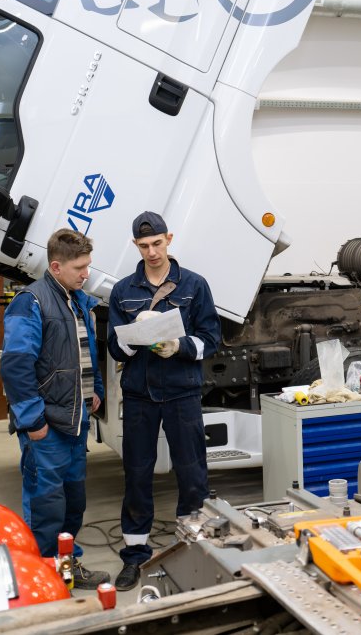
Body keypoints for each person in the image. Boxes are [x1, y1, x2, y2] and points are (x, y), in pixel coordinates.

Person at [107, 211, 221, 590]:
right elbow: (115, 349)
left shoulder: (194, 285)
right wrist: (133, 335)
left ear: (168, 239)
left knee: (192, 471)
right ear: (135, 246)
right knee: (137, 473)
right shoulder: (123, 291)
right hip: (139, 395)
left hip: (181, 391)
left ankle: (193, 545)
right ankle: (135, 554)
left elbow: (211, 339)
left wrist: (178, 345)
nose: (152, 252)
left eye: (157, 243)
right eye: (144, 246)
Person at [0, 228, 110, 589]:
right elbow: (16, 366)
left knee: (73, 502)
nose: (86, 274)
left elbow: (85, 351)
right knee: (46, 505)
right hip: (47, 424)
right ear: (56, 266)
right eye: (79, 268)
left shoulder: (77, 300)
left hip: (75, 420)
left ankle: (66, 565)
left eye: (88, 266)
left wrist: (94, 391)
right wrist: (32, 420)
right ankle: (43, 576)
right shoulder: (31, 302)